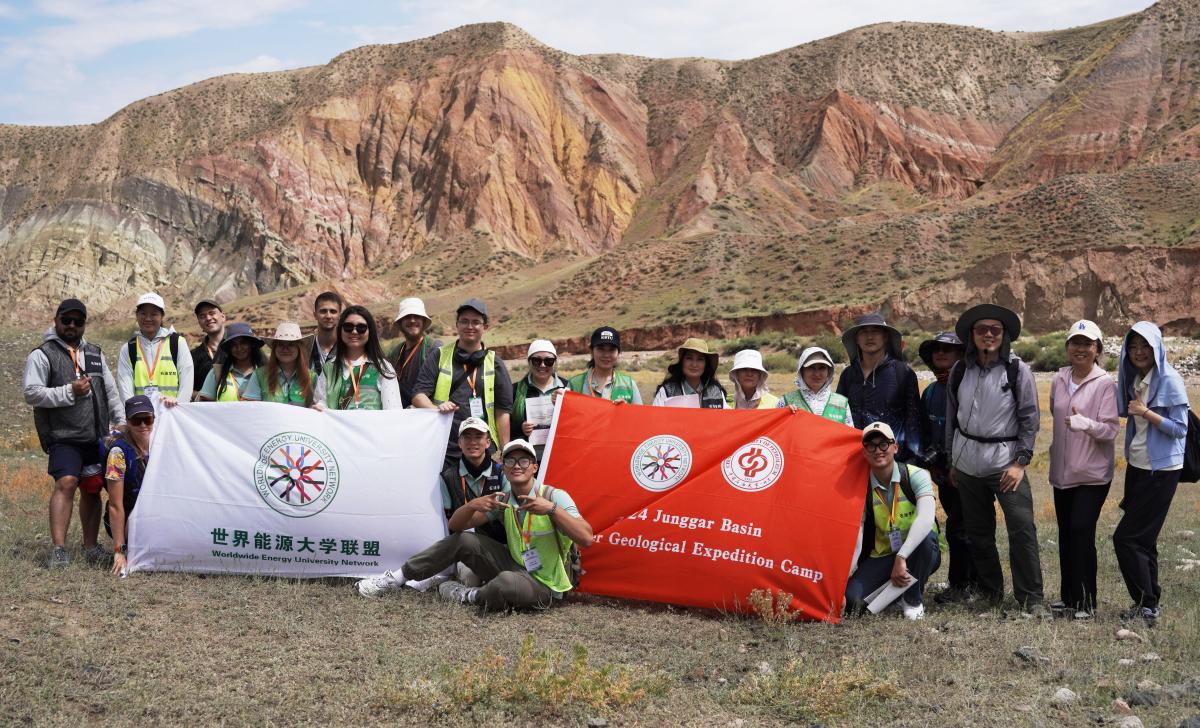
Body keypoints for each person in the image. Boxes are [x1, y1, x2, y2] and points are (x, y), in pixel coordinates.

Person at [356, 440, 592, 612]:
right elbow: (456, 527)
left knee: (506, 583)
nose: (516, 466)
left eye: (523, 460)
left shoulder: (553, 496)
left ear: (534, 467)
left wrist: (551, 510)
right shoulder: (504, 500)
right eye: (510, 460)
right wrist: (471, 506)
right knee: (465, 540)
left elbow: (586, 538)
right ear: (504, 468)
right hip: (515, 566)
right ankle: (396, 579)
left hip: (545, 584)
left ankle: (469, 595)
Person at [946, 304, 1045, 614]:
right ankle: (991, 594)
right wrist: (953, 460)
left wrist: (1020, 462)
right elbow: (953, 417)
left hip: (1006, 464)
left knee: (1022, 529)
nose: (988, 334)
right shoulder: (960, 370)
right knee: (978, 534)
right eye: (981, 329)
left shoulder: (1017, 370)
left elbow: (1029, 418)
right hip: (967, 464)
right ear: (971, 335)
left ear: (1004, 335)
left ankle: (1031, 599)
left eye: (995, 330)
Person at [23, 299, 124, 568]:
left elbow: (110, 392)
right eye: (66, 320)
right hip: (63, 435)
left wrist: (121, 423)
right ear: (56, 320)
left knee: (92, 489)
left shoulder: (94, 353)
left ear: (84, 324)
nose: (71, 325)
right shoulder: (42, 354)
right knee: (66, 483)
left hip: (96, 436)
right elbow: (31, 393)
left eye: (78, 321)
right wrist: (70, 391)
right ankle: (59, 549)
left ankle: (90, 547)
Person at [1113, 322, 1189, 626]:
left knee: (1126, 538)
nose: (1139, 352)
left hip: (1161, 470)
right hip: (1138, 466)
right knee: (1144, 539)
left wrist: (1146, 412)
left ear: (1157, 347)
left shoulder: (1169, 379)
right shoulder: (1137, 379)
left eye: (1145, 346)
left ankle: (1147, 603)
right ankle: (1149, 605)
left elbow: (1179, 429)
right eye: (1133, 347)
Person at [1046, 320, 1119, 619]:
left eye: (1088, 344)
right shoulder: (1058, 379)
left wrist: (1085, 424)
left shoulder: (1105, 384)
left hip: (1092, 474)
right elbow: (1054, 410)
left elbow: (1110, 430)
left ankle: (1087, 602)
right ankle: (1069, 598)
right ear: (1067, 347)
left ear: (1097, 349)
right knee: (1066, 533)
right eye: (1075, 342)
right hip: (1062, 473)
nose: (1081, 348)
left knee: (1081, 530)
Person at [845, 423, 941, 620]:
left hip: (920, 550)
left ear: (895, 447)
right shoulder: (861, 487)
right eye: (871, 446)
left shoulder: (917, 475)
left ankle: (912, 600)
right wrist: (842, 580)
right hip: (883, 555)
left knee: (926, 540)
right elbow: (857, 536)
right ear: (864, 452)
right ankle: (895, 593)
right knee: (852, 602)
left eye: (884, 444)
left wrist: (902, 557)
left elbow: (925, 519)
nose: (878, 450)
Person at [917, 332, 980, 604]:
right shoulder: (931, 392)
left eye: (948, 349)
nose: (941, 353)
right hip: (942, 474)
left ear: (961, 355)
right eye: (937, 350)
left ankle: (964, 585)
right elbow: (925, 430)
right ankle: (969, 583)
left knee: (961, 529)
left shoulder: (969, 387)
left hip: (968, 470)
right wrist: (932, 465)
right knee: (958, 525)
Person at [412, 299, 513, 461]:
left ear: (485, 327)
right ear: (457, 325)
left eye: (476, 322)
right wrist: (436, 409)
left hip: (483, 450)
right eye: (464, 321)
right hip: (444, 448)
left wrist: (505, 452)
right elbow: (418, 395)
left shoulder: (495, 363)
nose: (469, 326)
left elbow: (503, 412)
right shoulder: (439, 355)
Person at [836, 313, 921, 460]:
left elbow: (914, 419)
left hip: (893, 458)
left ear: (885, 336)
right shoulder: (848, 375)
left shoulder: (902, 373)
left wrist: (914, 456)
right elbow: (838, 414)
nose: (869, 336)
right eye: (864, 332)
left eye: (875, 331)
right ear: (856, 339)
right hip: (855, 457)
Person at [103, 395, 155, 577]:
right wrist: (119, 550)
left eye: (147, 419)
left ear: (154, 418)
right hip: (130, 516)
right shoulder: (118, 453)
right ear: (127, 421)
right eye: (136, 420)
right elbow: (115, 505)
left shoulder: (162, 443)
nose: (143, 425)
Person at [314, 306, 401, 410]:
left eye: (361, 328)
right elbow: (321, 402)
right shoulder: (329, 368)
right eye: (348, 327)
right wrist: (319, 408)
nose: (354, 331)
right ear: (340, 330)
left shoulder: (382, 368)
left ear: (370, 331)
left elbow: (393, 411)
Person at [116, 292, 194, 405]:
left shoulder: (177, 343)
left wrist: (179, 407)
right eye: (143, 313)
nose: (148, 318)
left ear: (162, 316)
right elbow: (125, 390)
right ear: (137, 315)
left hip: (173, 412)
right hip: (141, 414)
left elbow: (187, 381)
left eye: (154, 314)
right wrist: (134, 412)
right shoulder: (128, 349)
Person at [511, 339, 568, 460]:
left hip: (560, 454)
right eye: (536, 361)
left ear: (555, 362)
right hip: (527, 458)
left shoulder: (567, 387)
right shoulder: (515, 390)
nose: (542, 365)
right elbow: (506, 424)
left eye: (548, 361)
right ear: (529, 362)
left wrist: (566, 404)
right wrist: (521, 427)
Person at [776, 347, 854, 426]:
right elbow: (775, 431)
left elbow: (849, 433)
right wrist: (783, 415)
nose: (817, 374)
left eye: (822, 368)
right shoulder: (786, 402)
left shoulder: (842, 404)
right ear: (802, 371)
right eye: (811, 367)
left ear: (829, 371)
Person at [565, 326, 641, 404]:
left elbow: (640, 412)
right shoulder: (574, 384)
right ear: (591, 351)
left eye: (612, 350)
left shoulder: (629, 385)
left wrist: (626, 409)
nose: (606, 355)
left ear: (618, 353)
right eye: (601, 349)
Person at [389, 297, 440, 408]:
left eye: (417, 316)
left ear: (423, 321)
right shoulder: (395, 353)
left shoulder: (434, 348)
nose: (412, 320)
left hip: (427, 413)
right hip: (400, 414)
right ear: (400, 323)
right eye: (407, 317)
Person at [196, 323, 265, 402]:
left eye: (243, 343)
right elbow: (205, 403)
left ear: (251, 344)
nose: (239, 348)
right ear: (229, 348)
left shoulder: (266, 373)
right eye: (233, 344)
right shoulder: (217, 373)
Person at [652, 338, 728, 408]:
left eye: (700, 359)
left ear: (706, 364)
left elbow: (726, 416)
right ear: (682, 362)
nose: (694, 364)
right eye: (689, 358)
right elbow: (655, 416)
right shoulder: (667, 391)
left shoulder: (715, 391)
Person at [256, 322, 314, 406]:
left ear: (299, 349)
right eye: (280, 344)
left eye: (291, 345)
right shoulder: (259, 375)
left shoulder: (312, 377)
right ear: (275, 348)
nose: (285, 349)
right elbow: (251, 407)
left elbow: (316, 405)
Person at [190, 299, 226, 400]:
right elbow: (184, 386)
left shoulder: (240, 348)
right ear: (199, 323)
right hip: (205, 409)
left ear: (223, 316)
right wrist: (201, 396)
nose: (208, 318)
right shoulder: (193, 356)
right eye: (202, 316)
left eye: (212, 313)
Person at [309, 291, 343, 375]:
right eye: (323, 311)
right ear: (315, 315)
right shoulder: (306, 350)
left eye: (333, 311)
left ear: (340, 315)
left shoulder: (348, 349)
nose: (328, 316)